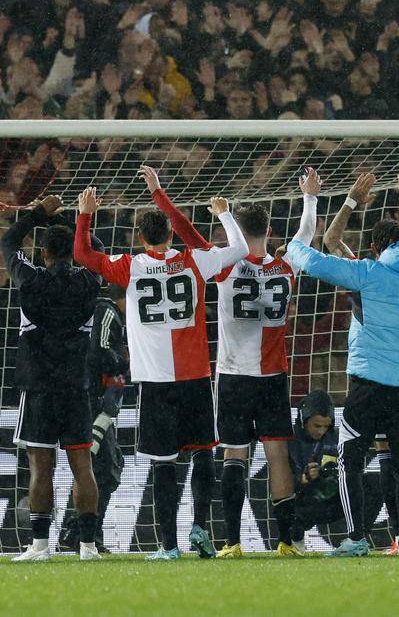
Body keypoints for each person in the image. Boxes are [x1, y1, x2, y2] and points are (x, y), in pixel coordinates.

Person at [72, 174, 251, 560]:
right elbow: (238, 247)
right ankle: (200, 528)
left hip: (155, 381)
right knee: (204, 452)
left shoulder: (131, 266)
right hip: (197, 376)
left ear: (140, 237)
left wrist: (84, 217)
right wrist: (222, 215)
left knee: (164, 463)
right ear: (172, 233)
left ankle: (168, 546)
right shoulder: (195, 260)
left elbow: (84, 256)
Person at [147, 165, 317, 558]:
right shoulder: (287, 265)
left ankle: (232, 542)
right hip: (274, 375)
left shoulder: (225, 264)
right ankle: (287, 542)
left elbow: (185, 229)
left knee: (234, 454)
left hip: (234, 376)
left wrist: (159, 192)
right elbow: (307, 234)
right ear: (270, 231)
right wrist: (310, 195)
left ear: (233, 234)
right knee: (277, 456)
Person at [285, 169, 399, 557]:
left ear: (377, 246)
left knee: (351, 460)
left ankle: (357, 536)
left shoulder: (367, 272)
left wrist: (308, 218)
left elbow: (312, 257)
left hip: (367, 384)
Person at [0, 194, 103, 562]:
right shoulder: (88, 282)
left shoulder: (30, 279)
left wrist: (39, 213)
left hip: (39, 388)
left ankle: (40, 545)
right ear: (73, 254)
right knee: (83, 468)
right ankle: (88, 546)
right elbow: (97, 249)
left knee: (41, 468)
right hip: (76, 388)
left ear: (42, 254)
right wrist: (82, 221)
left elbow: (8, 241)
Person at [59, 281, 127, 554]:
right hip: (92, 398)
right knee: (102, 467)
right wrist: (122, 365)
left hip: (79, 392)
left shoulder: (85, 307)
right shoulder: (107, 309)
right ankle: (80, 531)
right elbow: (99, 349)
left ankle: (76, 530)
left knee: (101, 465)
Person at [289, 390, 343, 541]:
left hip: (330, 499)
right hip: (301, 503)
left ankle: (358, 538)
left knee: (372, 484)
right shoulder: (287, 442)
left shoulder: (338, 438)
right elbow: (273, 493)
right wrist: (302, 479)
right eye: (317, 426)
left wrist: (332, 475)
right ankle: (293, 540)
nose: (321, 431)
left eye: (326, 426)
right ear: (303, 420)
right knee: (285, 504)